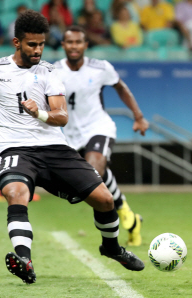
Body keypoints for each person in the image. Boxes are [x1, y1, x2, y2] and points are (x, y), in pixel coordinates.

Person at [0, 10, 144, 284]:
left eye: (41, 44)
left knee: (105, 200)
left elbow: (61, 115)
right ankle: (24, 259)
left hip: (54, 149)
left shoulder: (49, 72)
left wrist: (40, 113)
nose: (37, 50)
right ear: (16, 43)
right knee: (15, 192)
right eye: (31, 44)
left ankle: (112, 248)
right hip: (15, 150)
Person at [55, 26, 149, 246]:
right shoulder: (53, 71)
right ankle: (129, 216)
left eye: (79, 42)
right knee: (92, 181)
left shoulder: (100, 67)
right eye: (70, 42)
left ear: (86, 45)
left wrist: (138, 116)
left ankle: (119, 215)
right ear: (63, 45)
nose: (74, 46)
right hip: (70, 136)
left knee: (94, 170)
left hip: (99, 127)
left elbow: (121, 88)